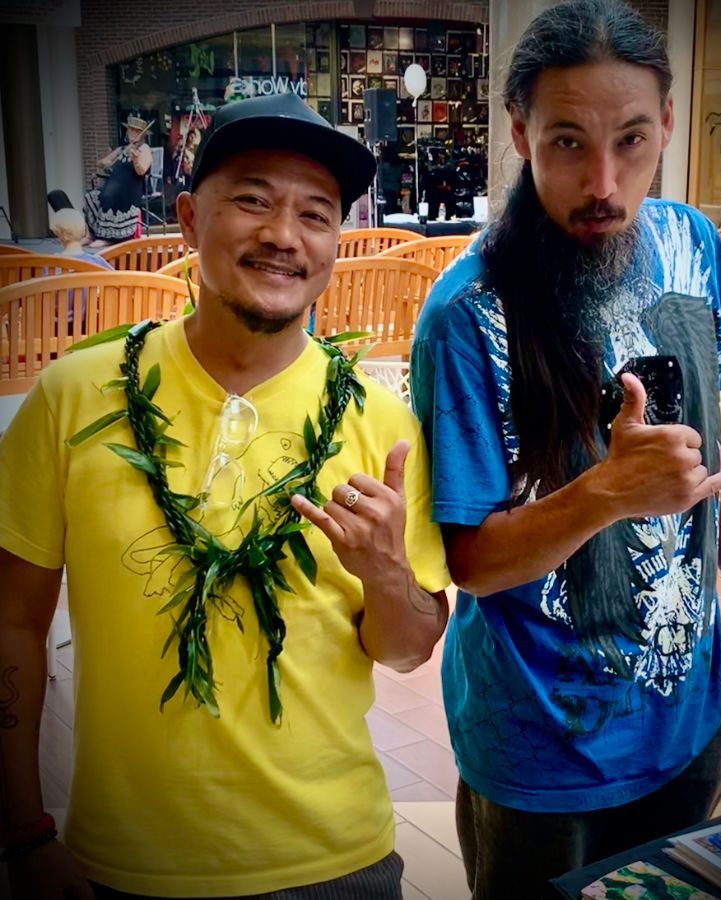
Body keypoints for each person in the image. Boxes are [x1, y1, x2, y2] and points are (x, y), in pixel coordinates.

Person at [0, 92, 449, 899]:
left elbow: (410, 648)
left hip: (338, 863)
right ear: (186, 219)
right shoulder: (74, 396)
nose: (284, 235)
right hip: (119, 867)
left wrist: (386, 570)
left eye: (316, 214)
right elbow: (12, 619)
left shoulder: (381, 424)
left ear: (335, 245)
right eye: (251, 200)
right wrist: (22, 832)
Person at [410, 1, 721, 895]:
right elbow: (471, 563)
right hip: (542, 752)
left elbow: (699, 459)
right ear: (519, 133)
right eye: (569, 142)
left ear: (666, 124)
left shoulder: (694, 246)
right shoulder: (468, 313)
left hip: (693, 724)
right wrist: (608, 493)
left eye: (630, 140)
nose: (604, 184)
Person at [83, 115, 153, 247]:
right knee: (90, 196)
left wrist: (136, 160)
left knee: (110, 195)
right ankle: (90, 235)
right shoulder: (122, 149)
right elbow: (102, 162)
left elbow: (142, 170)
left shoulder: (144, 149)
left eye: (137, 131)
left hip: (130, 189)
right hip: (113, 186)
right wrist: (105, 163)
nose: (133, 133)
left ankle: (107, 237)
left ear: (142, 134)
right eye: (131, 130)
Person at [49, 208, 114, 269]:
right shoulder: (97, 261)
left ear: (61, 236)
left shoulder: (50, 262)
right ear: (83, 232)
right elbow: (116, 278)